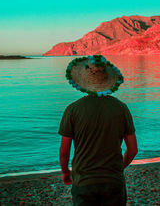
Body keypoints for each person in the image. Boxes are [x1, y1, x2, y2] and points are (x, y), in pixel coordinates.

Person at [59, 55, 138, 206]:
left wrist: (65, 172)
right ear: (108, 81)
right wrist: (119, 168)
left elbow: (64, 151)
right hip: (113, 181)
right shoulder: (121, 108)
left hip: (83, 181)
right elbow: (133, 149)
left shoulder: (72, 110)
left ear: (84, 82)